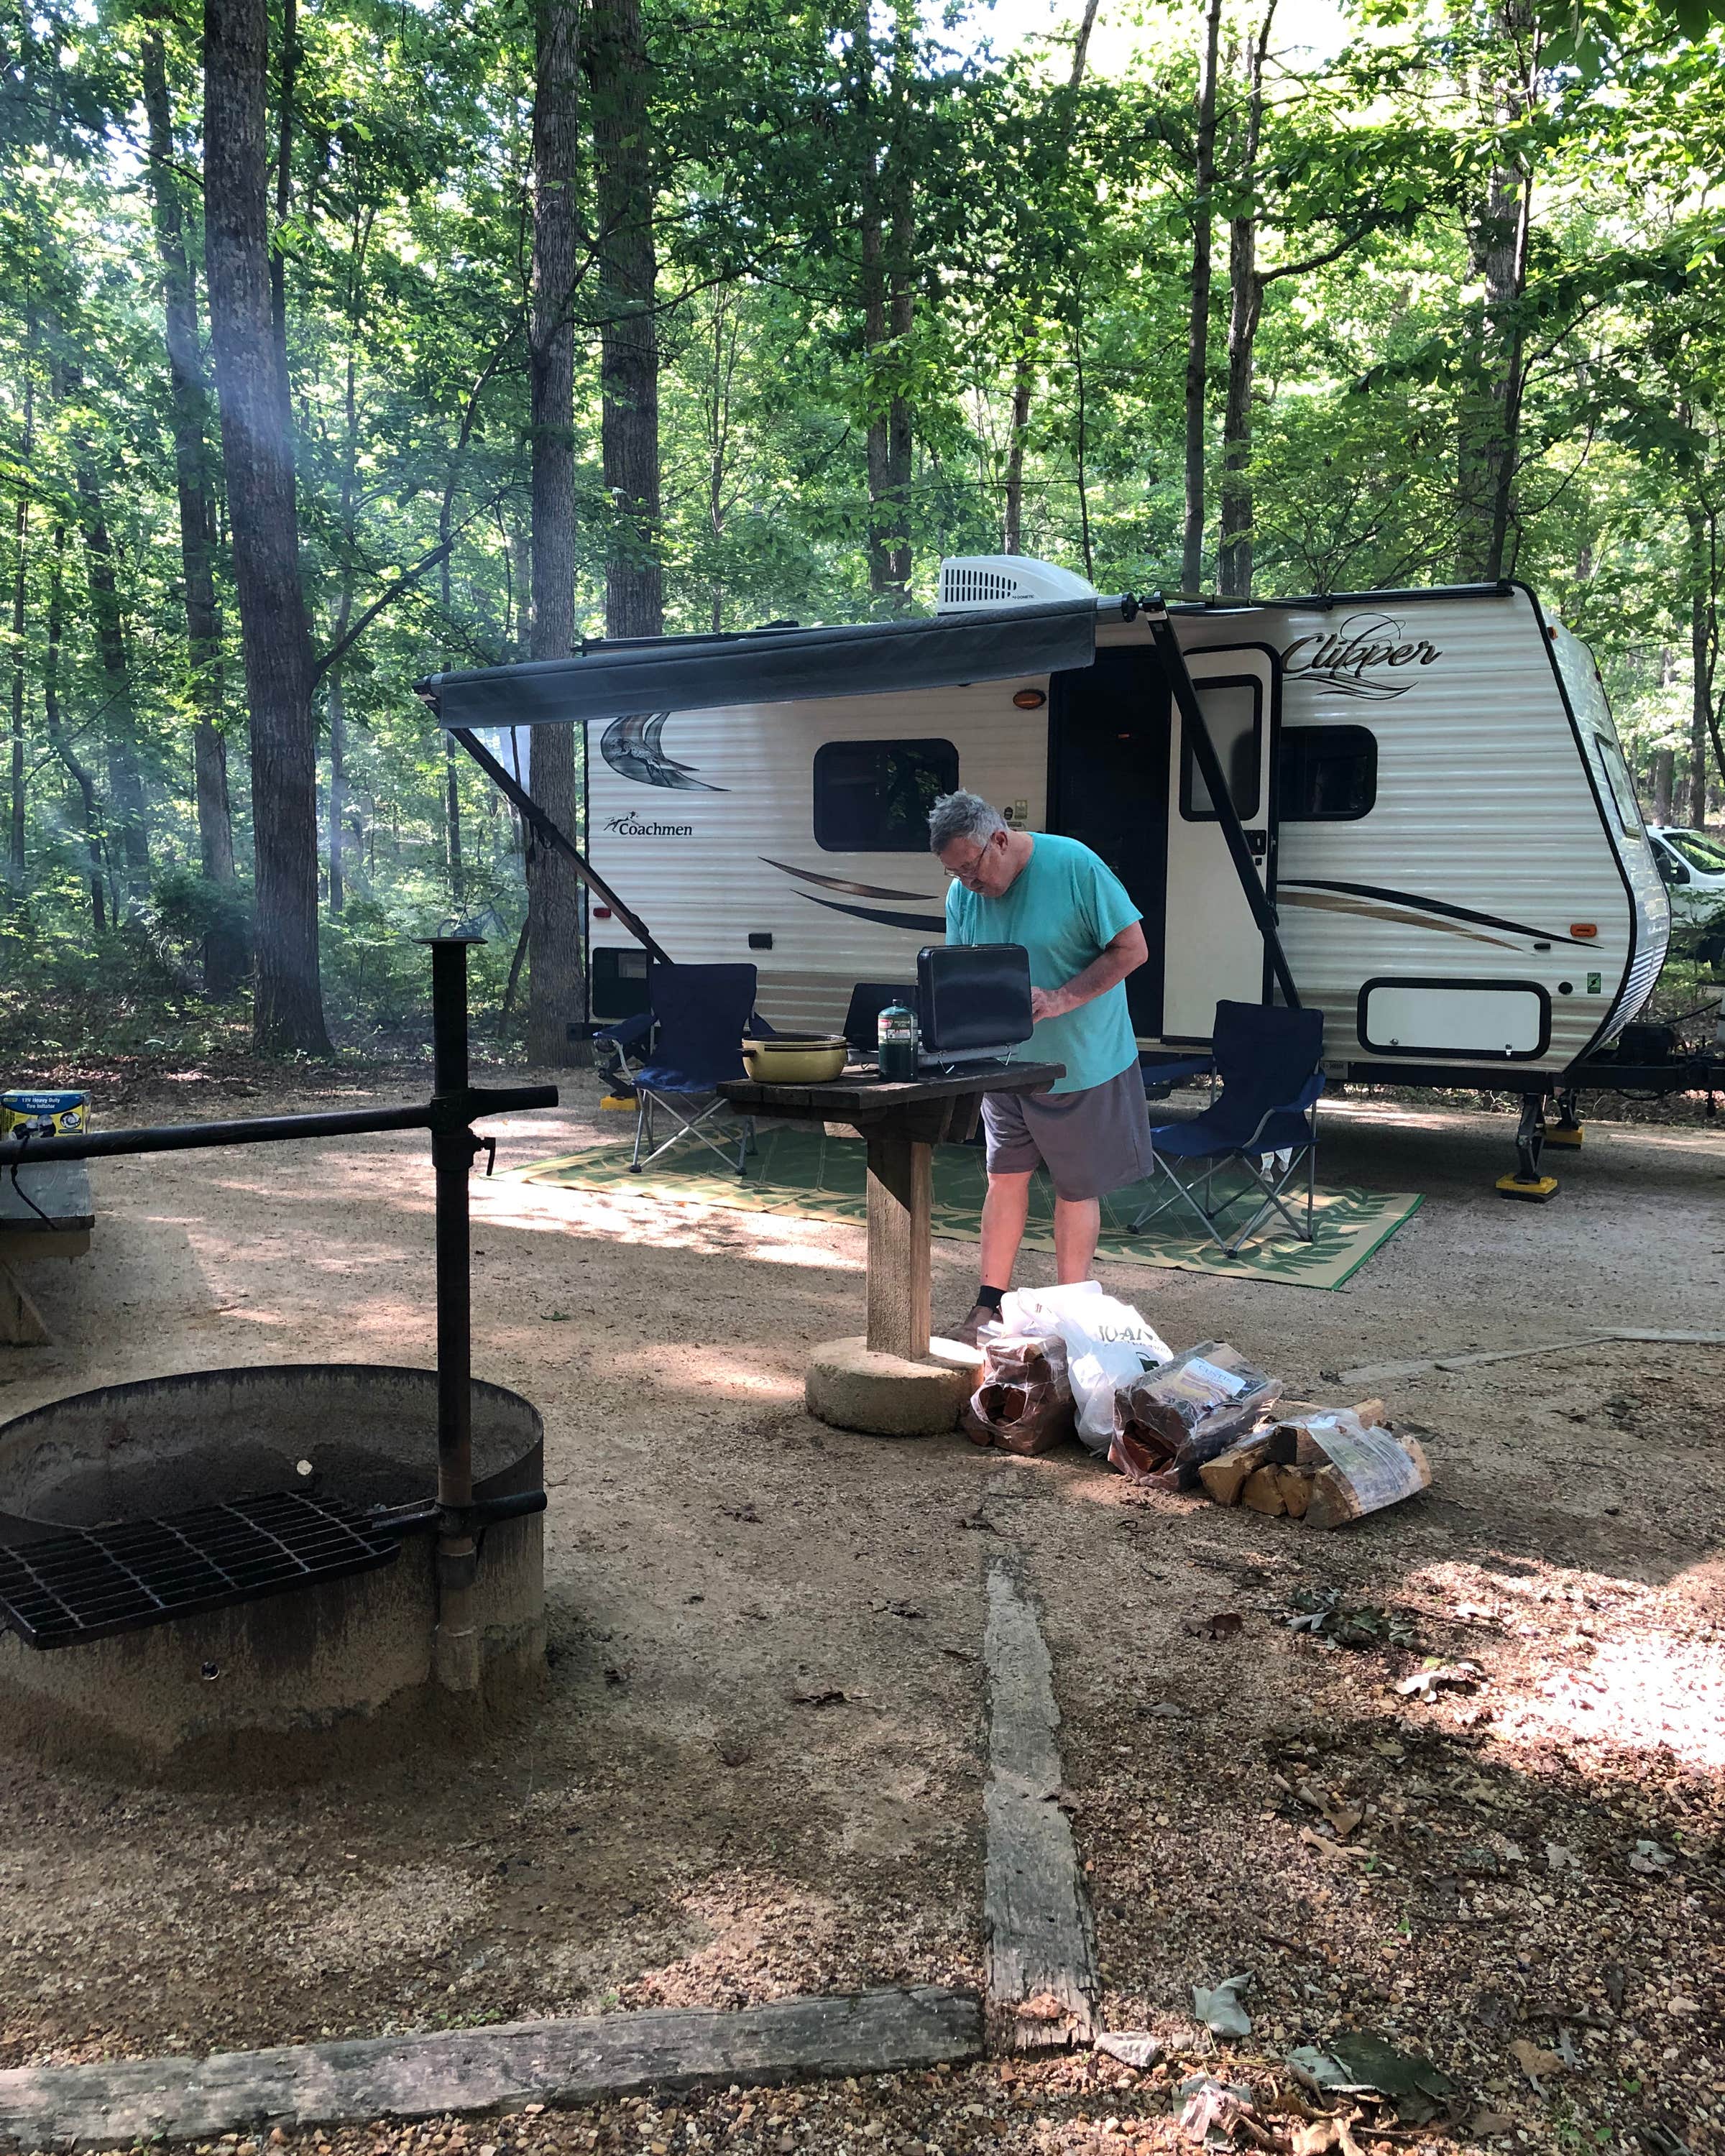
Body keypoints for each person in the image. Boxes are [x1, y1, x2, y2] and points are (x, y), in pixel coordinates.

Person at [929, 791, 1154, 1346]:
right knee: (1003, 1179)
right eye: (954, 872)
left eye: (971, 867)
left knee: (1075, 1190)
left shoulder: (1075, 865)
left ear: (999, 840)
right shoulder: (963, 892)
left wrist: (1060, 998)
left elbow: (1132, 950)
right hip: (1005, 1068)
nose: (966, 883)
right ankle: (989, 1304)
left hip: (1080, 1060)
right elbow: (960, 974)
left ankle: (1068, 1319)